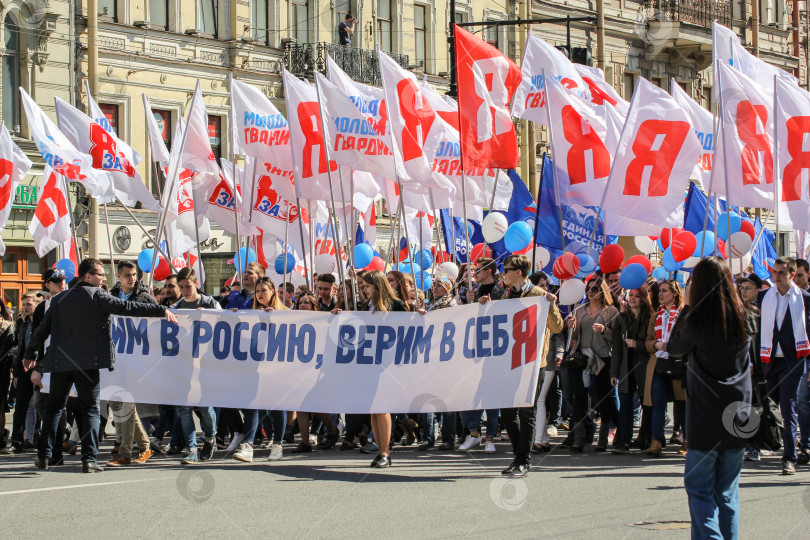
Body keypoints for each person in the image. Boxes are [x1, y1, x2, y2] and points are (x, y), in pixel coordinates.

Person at [22, 258, 176, 472]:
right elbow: (128, 307)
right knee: (91, 411)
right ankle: (89, 459)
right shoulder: (98, 297)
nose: (104, 278)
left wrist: (30, 354)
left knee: (54, 410)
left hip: (61, 363)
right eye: (101, 274)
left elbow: (42, 331)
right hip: (88, 364)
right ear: (88, 276)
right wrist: (160, 311)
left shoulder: (60, 300)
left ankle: (44, 457)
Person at [668, 257, 753, 540]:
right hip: (739, 411)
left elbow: (674, 348)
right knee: (727, 492)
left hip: (707, 414)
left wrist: (687, 307)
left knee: (699, 488)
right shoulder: (744, 314)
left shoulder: (697, 319)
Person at [481, 255, 562, 477]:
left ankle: (524, 461)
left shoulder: (537, 294)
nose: (503, 273)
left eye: (506, 270)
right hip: (510, 360)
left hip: (534, 361)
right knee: (507, 412)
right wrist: (485, 307)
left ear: (518, 272)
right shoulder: (507, 294)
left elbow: (557, 327)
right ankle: (518, 456)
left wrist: (552, 305)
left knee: (527, 411)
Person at [338, 269, 408, 468]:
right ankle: (380, 450)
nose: (363, 289)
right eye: (362, 286)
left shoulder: (396, 306)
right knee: (374, 409)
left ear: (378, 286)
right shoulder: (363, 306)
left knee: (383, 406)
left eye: (367, 286)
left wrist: (418, 315)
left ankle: (386, 452)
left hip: (388, 364)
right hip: (368, 364)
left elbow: (410, 328)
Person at [756, 257, 810, 475]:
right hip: (768, 360)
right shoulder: (763, 297)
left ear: (792, 275)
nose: (776, 276)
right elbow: (757, 331)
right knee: (765, 406)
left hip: (793, 361)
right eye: (774, 272)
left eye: (781, 273)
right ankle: (760, 445)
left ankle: (789, 458)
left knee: (789, 407)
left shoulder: (804, 298)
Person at [107, 260, 157, 466]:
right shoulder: (111, 297)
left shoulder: (144, 297)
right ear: (118, 276)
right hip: (115, 359)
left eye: (134, 274)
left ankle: (125, 454)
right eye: (127, 275)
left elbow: (158, 320)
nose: (132, 278)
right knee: (119, 405)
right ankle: (145, 447)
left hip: (136, 359)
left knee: (126, 404)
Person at [172, 267, 222, 465]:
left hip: (205, 363)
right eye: (181, 287)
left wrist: (210, 315)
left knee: (204, 406)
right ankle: (191, 448)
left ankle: (210, 437)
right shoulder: (176, 307)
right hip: (184, 362)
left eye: (188, 286)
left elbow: (227, 322)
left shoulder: (209, 303)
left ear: (196, 284)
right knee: (184, 408)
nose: (185, 290)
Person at [565, 276, 620, 452]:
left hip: (603, 358)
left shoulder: (611, 312)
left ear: (603, 291)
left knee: (603, 399)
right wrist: (570, 326)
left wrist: (604, 330)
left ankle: (603, 438)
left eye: (595, 289)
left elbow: (618, 338)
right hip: (581, 358)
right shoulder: (579, 310)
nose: (590, 292)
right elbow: (573, 340)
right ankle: (578, 439)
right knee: (579, 398)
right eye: (588, 289)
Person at [237, 276, 287, 463]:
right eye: (257, 291)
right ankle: (248, 446)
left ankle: (277, 445)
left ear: (273, 291)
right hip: (255, 366)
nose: (259, 294)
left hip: (276, 368)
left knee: (276, 407)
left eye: (263, 290)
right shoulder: (251, 312)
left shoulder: (284, 312)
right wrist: (234, 315)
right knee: (252, 405)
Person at [644, 279, 686, 457]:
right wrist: (656, 344)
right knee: (657, 401)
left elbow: (689, 339)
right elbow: (647, 343)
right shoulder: (655, 316)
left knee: (682, 404)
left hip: (677, 363)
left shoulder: (683, 314)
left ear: (675, 293)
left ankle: (687, 440)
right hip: (659, 363)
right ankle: (656, 441)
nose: (660, 294)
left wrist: (675, 346)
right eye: (660, 291)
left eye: (665, 291)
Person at [610, 287, 654, 453]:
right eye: (631, 296)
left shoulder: (651, 318)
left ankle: (647, 438)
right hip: (626, 367)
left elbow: (654, 344)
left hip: (645, 366)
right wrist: (614, 373)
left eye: (637, 296)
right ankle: (624, 441)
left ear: (644, 298)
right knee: (626, 404)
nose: (633, 298)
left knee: (647, 404)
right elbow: (617, 349)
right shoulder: (621, 318)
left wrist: (638, 345)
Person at [5, 292, 41, 453]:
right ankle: (17, 441)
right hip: (25, 369)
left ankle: (37, 438)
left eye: (29, 304)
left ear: (36, 304)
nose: (26, 307)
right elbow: (21, 349)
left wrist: (40, 368)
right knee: (20, 406)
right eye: (24, 304)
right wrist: (17, 374)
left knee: (40, 405)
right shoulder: (22, 323)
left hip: (40, 369)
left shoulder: (42, 323)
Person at [0, 303, 16, 449]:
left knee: (0, 405)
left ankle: (1, 436)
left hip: (2, 370)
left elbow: (6, 350)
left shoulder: (7, 326)